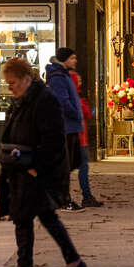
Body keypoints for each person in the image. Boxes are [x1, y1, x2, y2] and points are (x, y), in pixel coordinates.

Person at [0, 57, 88, 267]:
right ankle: (33, 265)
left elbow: (54, 140)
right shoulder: (22, 100)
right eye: (8, 83)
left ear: (26, 79)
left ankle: (61, 263)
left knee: (35, 217)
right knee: (28, 217)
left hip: (36, 170)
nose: (10, 87)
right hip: (23, 168)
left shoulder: (44, 100)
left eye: (13, 83)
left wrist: (37, 168)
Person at [45, 47, 84, 211]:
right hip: (65, 126)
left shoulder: (62, 75)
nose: (75, 61)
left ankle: (58, 198)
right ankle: (62, 199)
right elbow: (63, 100)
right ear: (65, 59)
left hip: (70, 126)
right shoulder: (58, 77)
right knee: (64, 166)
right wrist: (75, 113)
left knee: (68, 164)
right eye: (73, 58)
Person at [69, 71, 103, 208]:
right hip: (77, 138)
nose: (80, 81)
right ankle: (86, 196)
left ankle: (86, 195)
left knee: (81, 167)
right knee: (81, 167)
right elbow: (86, 112)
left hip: (80, 137)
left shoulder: (76, 96)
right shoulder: (75, 97)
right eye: (78, 80)